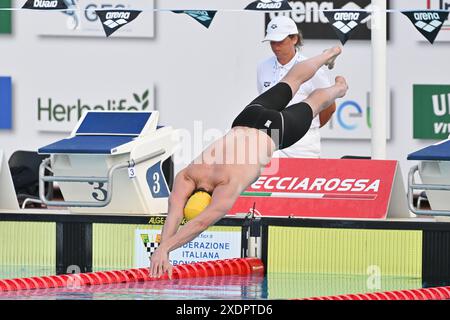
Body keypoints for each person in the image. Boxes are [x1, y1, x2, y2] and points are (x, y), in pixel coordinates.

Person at [150, 46, 348, 278]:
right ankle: (327, 54)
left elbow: (199, 223)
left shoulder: (226, 186)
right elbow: (174, 212)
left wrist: (164, 250)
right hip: (247, 117)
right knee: (291, 79)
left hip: (274, 132)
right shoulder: (190, 173)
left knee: (314, 102)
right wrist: (162, 250)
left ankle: (339, 87)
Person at [258, 16, 336, 158]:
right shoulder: (263, 67)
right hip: (272, 136)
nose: (275, 47)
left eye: (280, 41)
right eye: (272, 42)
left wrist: (305, 125)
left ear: (294, 39)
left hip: (303, 142)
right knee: (268, 179)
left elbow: (329, 107)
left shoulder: (313, 67)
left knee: (305, 179)